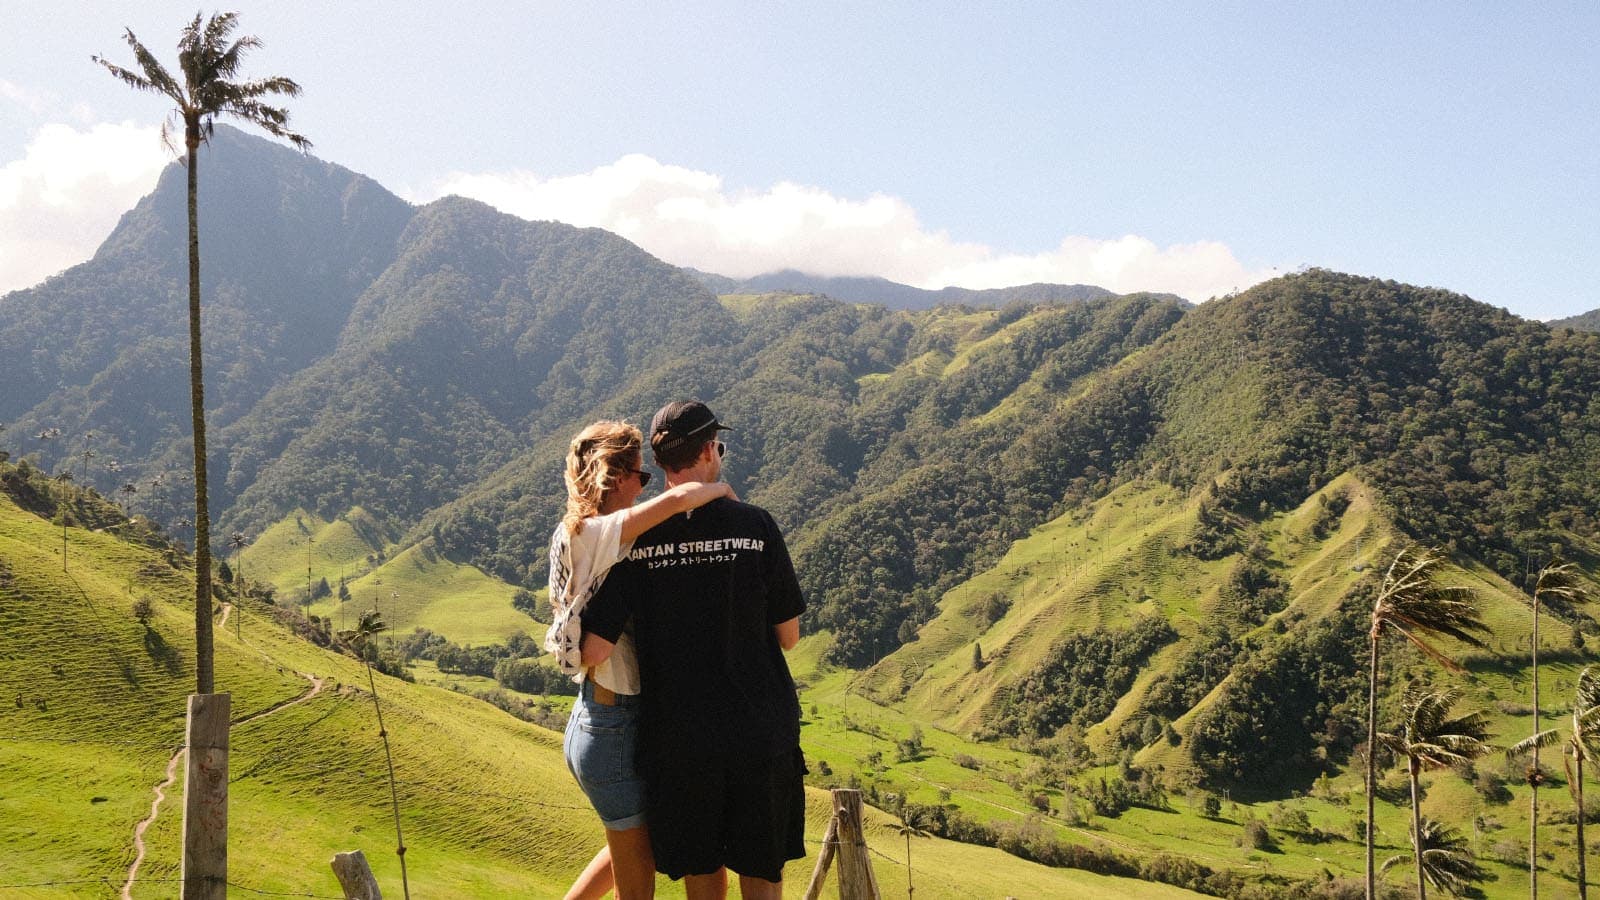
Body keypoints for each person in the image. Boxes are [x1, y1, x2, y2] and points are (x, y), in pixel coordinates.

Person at [581, 401, 806, 900]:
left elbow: (594, 645)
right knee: (762, 872)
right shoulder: (757, 526)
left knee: (702, 875)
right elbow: (788, 637)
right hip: (759, 730)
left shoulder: (635, 541)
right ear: (708, 450)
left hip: (678, 740)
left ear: (660, 465)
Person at [547, 420, 735, 900]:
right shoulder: (595, 532)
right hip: (612, 722)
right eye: (640, 475)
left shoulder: (575, 534)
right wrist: (722, 492)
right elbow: (675, 503)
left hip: (595, 717)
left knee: (629, 843)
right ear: (614, 476)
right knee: (637, 880)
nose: (645, 485)